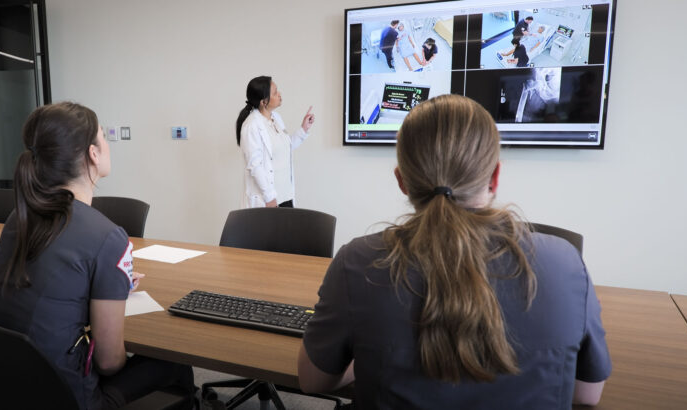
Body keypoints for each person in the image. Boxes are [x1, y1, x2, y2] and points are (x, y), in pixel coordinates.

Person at [296, 95, 610, 408]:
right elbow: (587, 393)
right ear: (495, 177)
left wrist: (363, 354)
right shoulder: (565, 262)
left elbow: (313, 381)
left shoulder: (359, 262)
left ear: (402, 181)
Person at [0, 102, 195, 410]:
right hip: (69, 397)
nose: (108, 145)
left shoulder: (17, 219)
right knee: (176, 359)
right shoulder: (109, 237)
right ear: (92, 154)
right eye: (103, 137)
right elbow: (109, 363)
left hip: (9, 387)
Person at [235, 76, 315, 208]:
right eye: (275, 92)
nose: (279, 94)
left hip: (286, 196)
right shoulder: (251, 126)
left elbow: (285, 148)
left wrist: (303, 129)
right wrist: (269, 197)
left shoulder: (276, 118)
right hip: (269, 201)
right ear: (263, 102)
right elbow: (255, 165)